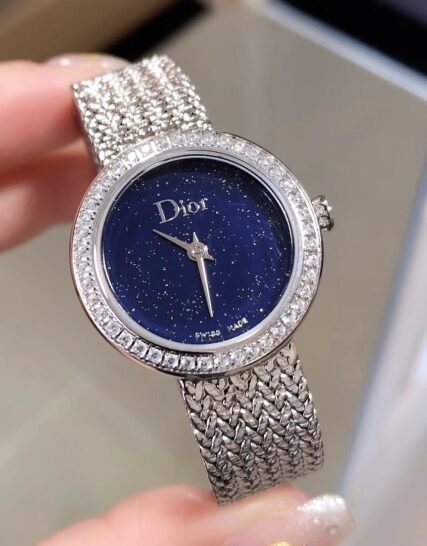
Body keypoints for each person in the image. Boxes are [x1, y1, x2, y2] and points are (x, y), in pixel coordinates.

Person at [0, 54, 354, 546]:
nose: (197, 250)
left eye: (197, 248)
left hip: (254, 336)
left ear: (311, 218)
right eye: (193, 249)